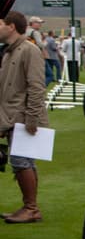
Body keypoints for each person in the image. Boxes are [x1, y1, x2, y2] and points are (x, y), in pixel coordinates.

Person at [0, 11, 49, 224]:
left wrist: (31, 119)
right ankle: (29, 207)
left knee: (21, 161)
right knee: (22, 161)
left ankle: (31, 208)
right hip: (11, 116)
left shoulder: (29, 50)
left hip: (22, 118)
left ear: (11, 26)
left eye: (0, 24)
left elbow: (37, 87)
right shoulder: (10, 52)